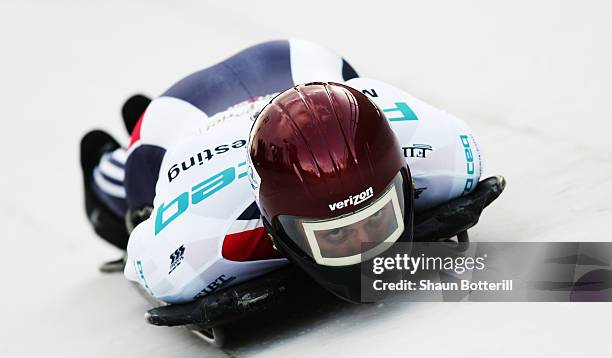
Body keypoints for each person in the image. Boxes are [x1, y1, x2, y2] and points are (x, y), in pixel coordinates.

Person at [80, 39, 498, 307]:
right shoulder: (192, 252)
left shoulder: (447, 155)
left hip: (299, 64)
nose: (366, 252)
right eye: (336, 235)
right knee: (135, 207)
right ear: (278, 228)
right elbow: (143, 257)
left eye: (376, 219)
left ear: (403, 181)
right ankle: (112, 148)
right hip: (177, 122)